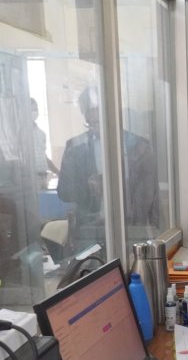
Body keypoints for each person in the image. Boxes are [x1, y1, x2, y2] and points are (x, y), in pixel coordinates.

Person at [57, 87, 160, 248]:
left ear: (113, 109)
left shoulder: (140, 146)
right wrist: (87, 186)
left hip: (132, 230)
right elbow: (64, 191)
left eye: (98, 110)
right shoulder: (75, 148)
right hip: (90, 232)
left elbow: (151, 195)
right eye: (89, 112)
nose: (94, 117)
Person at [29, 98, 58, 190]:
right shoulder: (21, 134)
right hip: (30, 179)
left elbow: (44, 158)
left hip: (43, 177)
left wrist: (58, 173)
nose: (34, 112)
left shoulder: (41, 134)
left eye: (35, 109)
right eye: (31, 109)